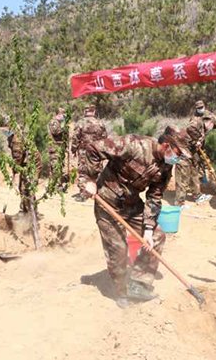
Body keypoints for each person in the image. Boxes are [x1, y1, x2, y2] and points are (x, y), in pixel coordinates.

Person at [79, 126, 191, 308]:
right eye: (178, 153)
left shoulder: (165, 167)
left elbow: (155, 197)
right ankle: (121, 292)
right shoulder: (133, 145)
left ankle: (138, 284)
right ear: (166, 145)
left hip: (132, 204)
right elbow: (93, 148)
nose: (177, 158)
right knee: (118, 249)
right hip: (107, 203)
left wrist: (148, 229)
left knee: (157, 236)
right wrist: (88, 180)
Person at [175, 100, 216, 206]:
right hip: (183, 150)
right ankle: (179, 203)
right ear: (210, 122)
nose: (212, 129)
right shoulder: (197, 122)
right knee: (183, 175)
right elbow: (190, 129)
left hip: (192, 152)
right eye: (213, 126)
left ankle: (197, 195)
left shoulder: (204, 126)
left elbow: (200, 144)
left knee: (194, 172)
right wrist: (197, 139)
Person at [0, 118, 43, 214]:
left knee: (27, 188)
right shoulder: (13, 136)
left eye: (4, 129)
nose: (3, 132)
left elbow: (17, 158)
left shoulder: (17, 139)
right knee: (23, 188)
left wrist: (14, 173)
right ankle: (25, 210)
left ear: (10, 128)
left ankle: (32, 214)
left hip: (33, 165)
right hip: (25, 163)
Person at [71, 105, 107, 200]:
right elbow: (105, 138)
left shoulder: (80, 123)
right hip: (97, 152)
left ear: (85, 111)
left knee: (83, 172)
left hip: (84, 151)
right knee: (97, 171)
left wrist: (73, 149)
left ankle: (83, 193)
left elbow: (75, 138)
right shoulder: (100, 124)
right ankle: (98, 192)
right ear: (94, 111)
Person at [47, 107, 69, 189]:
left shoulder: (60, 122)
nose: (63, 115)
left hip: (60, 147)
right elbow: (55, 132)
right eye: (62, 114)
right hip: (55, 147)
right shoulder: (54, 122)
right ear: (57, 114)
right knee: (55, 166)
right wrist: (63, 126)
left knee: (59, 166)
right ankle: (55, 185)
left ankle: (56, 184)